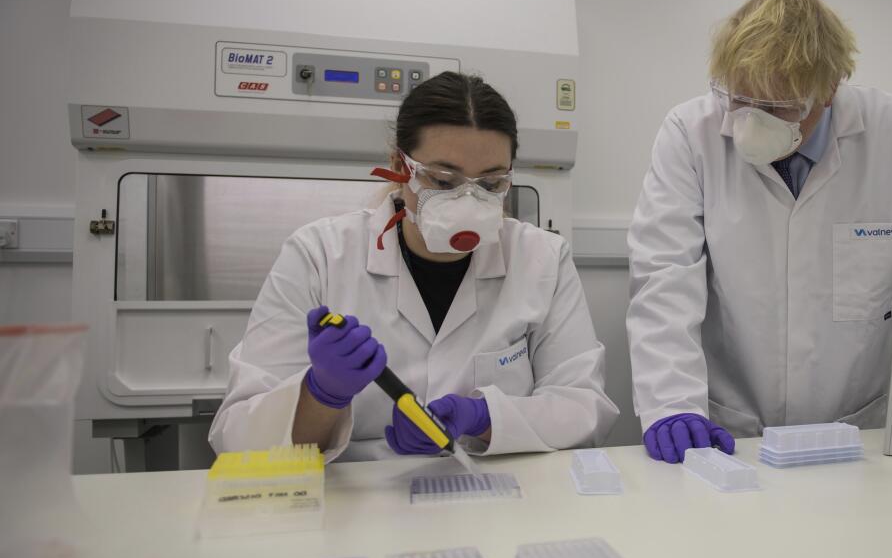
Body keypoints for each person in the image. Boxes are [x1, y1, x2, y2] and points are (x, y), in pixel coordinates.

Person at [627, 0, 892, 463]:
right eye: (738, 100)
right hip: (733, 432)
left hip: (856, 433)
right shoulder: (690, 134)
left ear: (831, 89)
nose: (752, 122)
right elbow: (664, 274)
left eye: (777, 108)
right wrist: (671, 402)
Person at [211, 71, 619, 460]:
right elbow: (236, 436)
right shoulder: (320, 255)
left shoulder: (542, 258)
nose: (468, 202)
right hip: (356, 506)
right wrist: (322, 394)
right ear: (399, 165)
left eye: (491, 184)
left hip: (491, 498)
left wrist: (484, 419)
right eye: (444, 181)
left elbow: (585, 409)